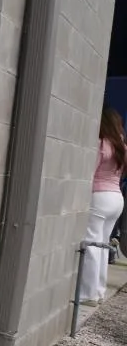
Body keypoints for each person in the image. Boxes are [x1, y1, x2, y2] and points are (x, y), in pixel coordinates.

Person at [79, 103, 127, 306]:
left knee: (91, 244)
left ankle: (87, 293)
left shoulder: (101, 144)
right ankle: (98, 291)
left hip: (99, 197)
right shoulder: (122, 147)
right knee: (103, 244)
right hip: (117, 198)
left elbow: (89, 172)